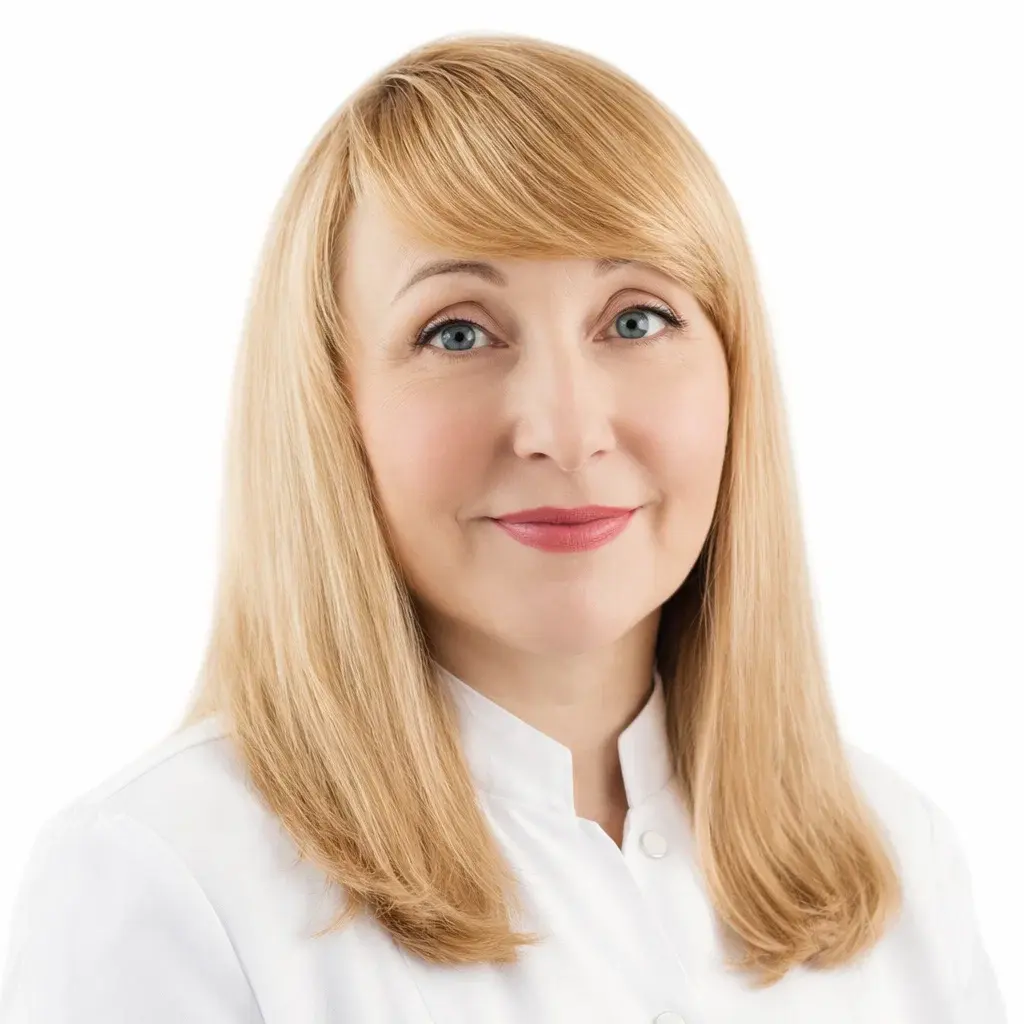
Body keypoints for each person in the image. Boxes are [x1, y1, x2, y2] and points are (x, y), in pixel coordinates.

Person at [0, 31, 1007, 1024]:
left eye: (636, 319)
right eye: (457, 332)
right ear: (332, 406)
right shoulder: (172, 883)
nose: (566, 432)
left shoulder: (900, 862)